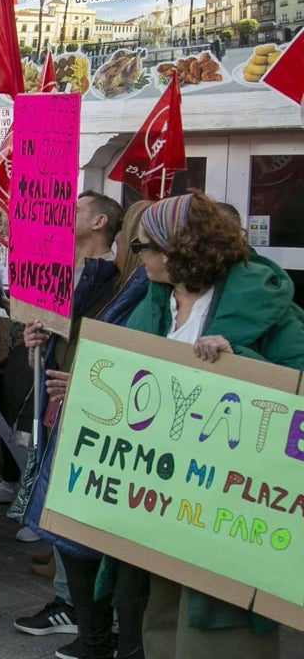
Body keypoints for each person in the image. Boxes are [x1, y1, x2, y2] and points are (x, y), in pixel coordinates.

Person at [117, 192, 303, 656]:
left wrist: (242, 363)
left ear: (179, 249)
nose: (137, 261)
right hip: (164, 495)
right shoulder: (155, 300)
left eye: (143, 249)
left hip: (231, 503)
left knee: (216, 632)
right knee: (161, 619)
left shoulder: (266, 305)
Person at [8, 191, 124, 645]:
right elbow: (55, 334)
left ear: (99, 222)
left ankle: (84, 608)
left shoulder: (110, 281)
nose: (66, 213)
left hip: (86, 404)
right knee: (54, 501)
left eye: (76, 208)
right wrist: (33, 333)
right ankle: (68, 599)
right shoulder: (63, 272)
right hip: (55, 399)